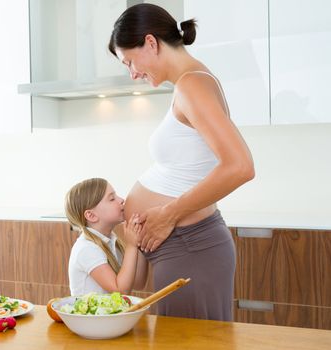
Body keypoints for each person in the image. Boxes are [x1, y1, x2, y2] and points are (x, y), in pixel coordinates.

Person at [108, 4, 255, 321]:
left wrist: (167, 213)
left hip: (190, 246)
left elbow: (240, 166)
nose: (132, 73)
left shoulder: (193, 84)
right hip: (180, 247)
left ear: (150, 42)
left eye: (130, 61)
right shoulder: (188, 84)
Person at [64, 178, 148, 296]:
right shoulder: (87, 249)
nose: (121, 200)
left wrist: (138, 239)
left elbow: (138, 283)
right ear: (91, 215)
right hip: (92, 315)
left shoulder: (112, 242)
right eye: (112, 199)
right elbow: (121, 290)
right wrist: (131, 245)